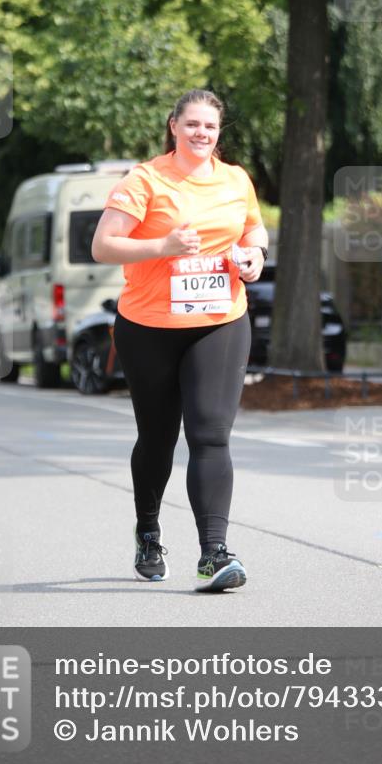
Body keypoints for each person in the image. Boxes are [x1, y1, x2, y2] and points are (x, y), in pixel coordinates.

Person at [91, 89, 269, 591]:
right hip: (149, 326)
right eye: (192, 124)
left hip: (220, 320)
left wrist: (253, 256)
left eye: (209, 127)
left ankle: (214, 554)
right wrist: (162, 246)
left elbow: (254, 232)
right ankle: (148, 531)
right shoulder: (145, 180)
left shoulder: (236, 180)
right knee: (158, 438)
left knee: (210, 435)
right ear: (174, 126)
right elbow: (103, 246)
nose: (201, 134)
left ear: (219, 132)